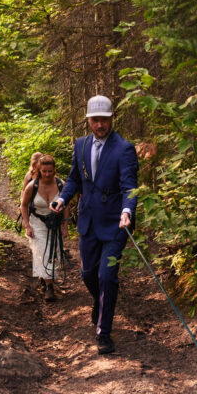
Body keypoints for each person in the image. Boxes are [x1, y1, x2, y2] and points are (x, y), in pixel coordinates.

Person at [51, 95, 138, 354]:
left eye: (104, 120)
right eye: (95, 120)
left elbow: (129, 186)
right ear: (88, 120)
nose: (100, 125)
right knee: (88, 274)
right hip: (88, 221)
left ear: (112, 119)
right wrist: (63, 198)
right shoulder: (80, 145)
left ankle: (104, 333)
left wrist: (127, 210)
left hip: (116, 223)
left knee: (107, 275)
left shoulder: (124, 148)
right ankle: (101, 303)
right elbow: (74, 179)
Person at [21, 154, 65, 301]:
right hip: (37, 222)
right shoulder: (31, 186)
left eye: (50, 171)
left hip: (55, 223)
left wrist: (65, 225)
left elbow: (66, 205)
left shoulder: (61, 185)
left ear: (54, 170)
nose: (47, 174)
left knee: (54, 253)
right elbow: (24, 205)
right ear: (39, 170)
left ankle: (46, 278)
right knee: (42, 251)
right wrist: (27, 225)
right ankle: (48, 287)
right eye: (44, 171)